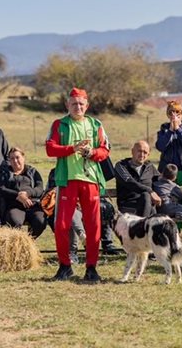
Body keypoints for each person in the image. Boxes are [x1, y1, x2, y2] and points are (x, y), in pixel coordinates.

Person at [46, 87, 110, 282]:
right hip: (67, 180)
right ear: (67, 105)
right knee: (61, 225)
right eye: (74, 103)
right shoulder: (59, 124)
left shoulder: (95, 124)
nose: (78, 107)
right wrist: (71, 148)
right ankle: (65, 266)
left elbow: (105, 150)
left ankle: (91, 268)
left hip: (90, 180)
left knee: (93, 226)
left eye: (81, 104)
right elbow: (50, 149)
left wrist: (92, 153)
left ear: (87, 105)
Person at [0, 147, 46, 238]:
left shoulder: (32, 171)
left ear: (23, 158)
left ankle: (29, 242)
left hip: (32, 205)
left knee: (40, 221)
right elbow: (2, 189)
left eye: (17, 157)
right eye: (12, 158)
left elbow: (39, 188)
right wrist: (18, 195)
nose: (15, 161)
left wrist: (26, 194)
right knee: (14, 221)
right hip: (14, 206)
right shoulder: (5, 173)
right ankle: (19, 243)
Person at [114, 140, 161, 217]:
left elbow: (160, 181)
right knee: (146, 195)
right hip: (128, 207)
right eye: (139, 151)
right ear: (132, 151)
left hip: (148, 206)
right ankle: (142, 226)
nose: (142, 155)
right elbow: (129, 182)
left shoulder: (150, 167)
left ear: (148, 154)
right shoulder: (121, 166)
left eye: (145, 152)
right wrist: (150, 191)